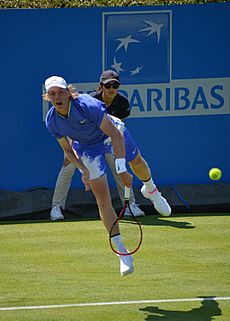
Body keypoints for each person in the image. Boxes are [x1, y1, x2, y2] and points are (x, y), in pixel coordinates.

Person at [44, 75, 171, 276]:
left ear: (68, 92)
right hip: (87, 148)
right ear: (47, 97)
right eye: (52, 94)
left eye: (61, 92)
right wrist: (82, 170)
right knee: (102, 198)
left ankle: (151, 189)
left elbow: (114, 134)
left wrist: (122, 170)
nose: (57, 96)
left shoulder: (87, 104)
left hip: (111, 135)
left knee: (136, 162)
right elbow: (68, 151)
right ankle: (122, 253)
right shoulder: (52, 121)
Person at [50, 70, 145, 221]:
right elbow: (73, 128)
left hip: (105, 139)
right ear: (101, 86)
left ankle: (130, 205)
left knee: (118, 167)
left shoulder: (122, 103)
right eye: (108, 86)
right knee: (67, 167)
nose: (111, 89)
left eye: (115, 85)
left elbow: (116, 132)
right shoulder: (91, 101)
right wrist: (78, 161)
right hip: (79, 141)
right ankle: (56, 207)